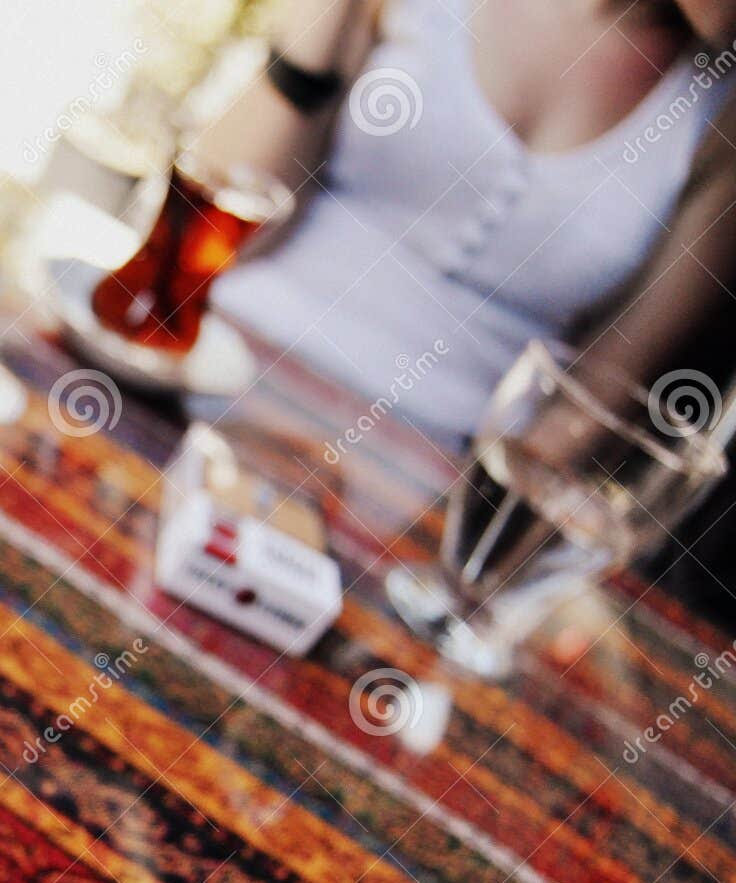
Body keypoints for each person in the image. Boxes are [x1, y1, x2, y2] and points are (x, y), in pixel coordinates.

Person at [196, 0, 736, 626]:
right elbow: (220, 215)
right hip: (219, 369)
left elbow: (593, 402)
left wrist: (456, 561)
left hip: (433, 501)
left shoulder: (720, 111)